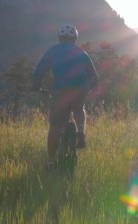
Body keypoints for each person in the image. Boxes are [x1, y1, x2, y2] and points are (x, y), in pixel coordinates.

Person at [33, 24, 98, 170]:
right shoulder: (81, 52)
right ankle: (80, 132)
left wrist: (36, 86)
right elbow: (93, 74)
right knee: (79, 109)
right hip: (80, 88)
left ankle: (50, 162)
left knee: (55, 125)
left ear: (60, 38)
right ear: (75, 39)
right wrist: (94, 89)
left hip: (60, 90)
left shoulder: (52, 52)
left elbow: (39, 70)